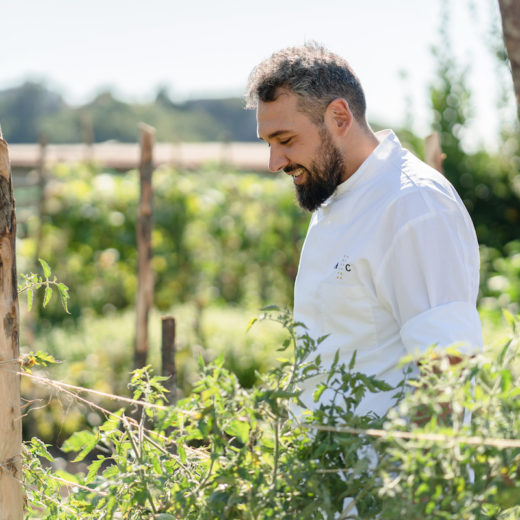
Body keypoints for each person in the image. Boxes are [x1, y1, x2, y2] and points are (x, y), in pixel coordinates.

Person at [245, 42, 483, 418]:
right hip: (330, 469)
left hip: (384, 474)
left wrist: (402, 477)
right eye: (269, 143)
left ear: (339, 118)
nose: (275, 162)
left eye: (286, 140)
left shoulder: (414, 205)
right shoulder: (336, 194)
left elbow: (447, 373)